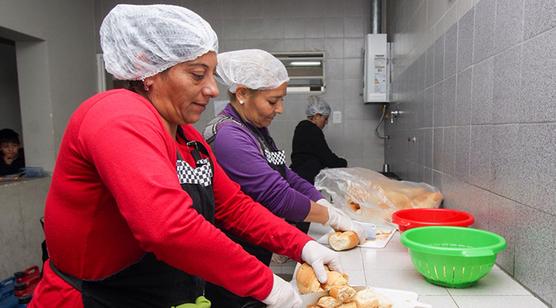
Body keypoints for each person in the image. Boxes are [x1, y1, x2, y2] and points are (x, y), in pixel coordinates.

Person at [30, 5, 340, 308]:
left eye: (212, 75)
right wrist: (269, 285)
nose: (212, 90)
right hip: (91, 299)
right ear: (146, 69)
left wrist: (303, 245)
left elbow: (234, 206)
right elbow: (167, 228)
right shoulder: (117, 115)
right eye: (196, 74)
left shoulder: (186, 136)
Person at [203, 49, 366, 308]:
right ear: (242, 93)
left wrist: (323, 203)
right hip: (232, 259)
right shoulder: (228, 137)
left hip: (256, 249)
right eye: (272, 101)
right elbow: (278, 197)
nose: (280, 109)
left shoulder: (257, 131)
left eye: (282, 99)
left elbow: (287, 176)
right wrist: (330, 218)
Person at [290, 98, 347, 184]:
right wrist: (343, 163)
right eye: (325, 118)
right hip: (306, 177)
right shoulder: (313, 130)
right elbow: (326, 157)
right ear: (317, 116)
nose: (326, 122)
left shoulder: (301, 127)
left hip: (297, 174)